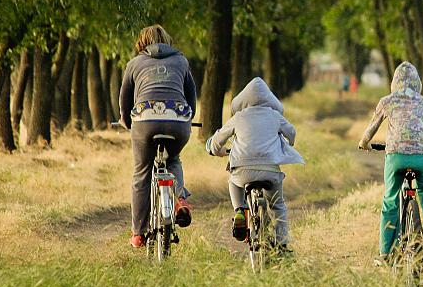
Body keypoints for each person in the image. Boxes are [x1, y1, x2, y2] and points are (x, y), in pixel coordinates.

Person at [358, 61, 423, 262]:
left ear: (394, 82)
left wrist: (364, 143)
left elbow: (371, 128)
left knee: (390, 199)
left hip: (396, 156)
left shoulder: (387, 101)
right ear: (418, 83)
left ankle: (385, 254)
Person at [119, 24, 197, 248]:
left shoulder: (134, 64)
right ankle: (180, 199)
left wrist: (127, 123)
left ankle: (138, 233)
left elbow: (125, 102)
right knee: (173, 160)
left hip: (145, 120)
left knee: (142, 172)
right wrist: (187, 118)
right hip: (178, 120)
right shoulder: (181, 61)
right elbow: (191, 97)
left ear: (142, 43)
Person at [206, 77, 304, 252]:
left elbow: (217, 141)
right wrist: (289, 142)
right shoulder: (274, 115)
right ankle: (281, 243)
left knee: (234, 183)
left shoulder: (238, 117)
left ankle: (239, 210)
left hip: (242, 171)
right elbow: (292, 133)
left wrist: (214, 149)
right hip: (270, 170)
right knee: (277, 205)